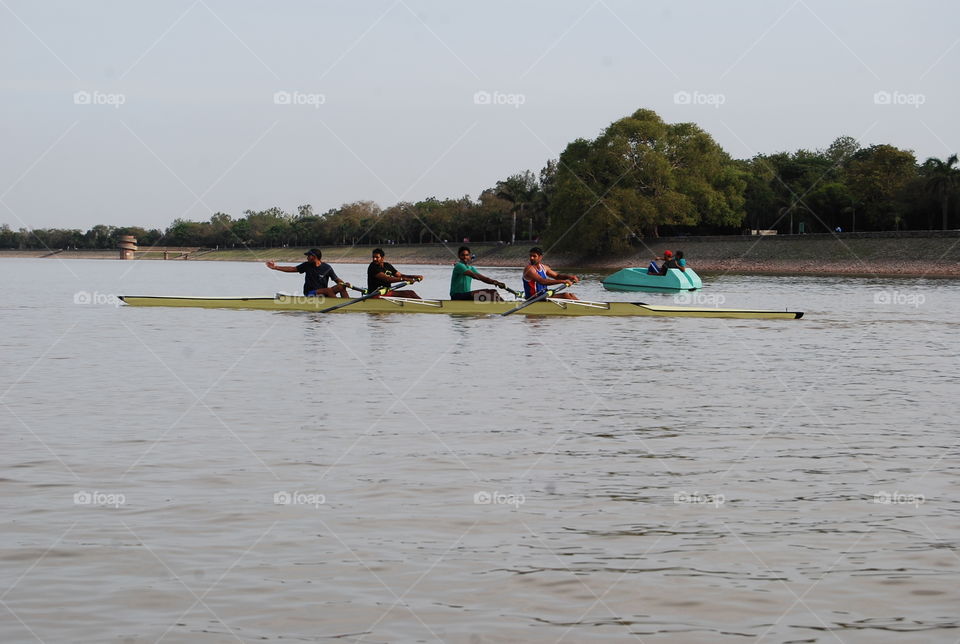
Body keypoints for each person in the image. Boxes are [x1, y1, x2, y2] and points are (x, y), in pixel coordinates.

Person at [265, 249, 350, 297]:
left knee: (341, 287)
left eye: (308, 256)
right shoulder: (306, 265)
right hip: (310, 293)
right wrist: (275, 267)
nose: (307, 258)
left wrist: (344, 284)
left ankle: (347, 303)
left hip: (324, 293)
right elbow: (292, 269)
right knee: (328, 290)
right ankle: (337, 304)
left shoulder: (327, 267)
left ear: (314, 257)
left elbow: (337, 279)